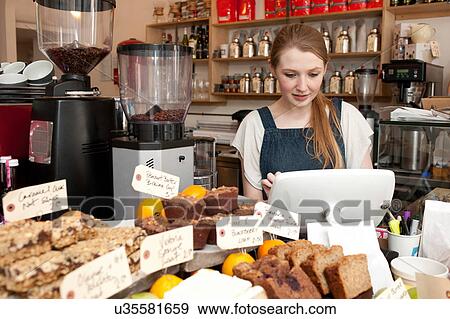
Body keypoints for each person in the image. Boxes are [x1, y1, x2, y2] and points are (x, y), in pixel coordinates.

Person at [232, 24, 373, 201]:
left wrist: (293, 198)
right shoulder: (254, 124)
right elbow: (254, 211)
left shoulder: (346, 117)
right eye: (291, 75)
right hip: (275, 229)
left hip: (338, 228)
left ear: (325, 68)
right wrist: (273, 202)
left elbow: (366, 199)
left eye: (313, 74)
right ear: (273, 69)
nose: (302, 87)